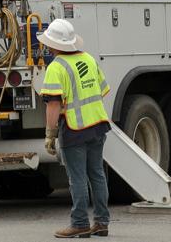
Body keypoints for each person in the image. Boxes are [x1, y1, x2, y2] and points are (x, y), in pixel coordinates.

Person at [38, 18, 111, 239]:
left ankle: (79, 223)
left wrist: (50, 134)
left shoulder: (56, 67)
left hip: (74, 128)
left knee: (77, 178)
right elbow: (102, 90)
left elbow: (53, 105)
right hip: (98, 125)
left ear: (53, 44)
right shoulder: (88, 59)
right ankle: (101, 222)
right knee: (97, 174)